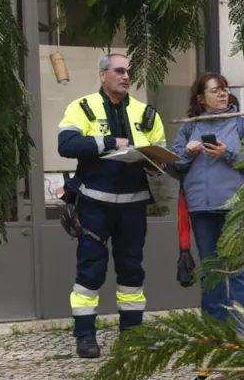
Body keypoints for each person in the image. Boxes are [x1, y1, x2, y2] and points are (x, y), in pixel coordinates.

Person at [58, 53, 166, 359]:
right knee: (90, 271)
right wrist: (110, 142)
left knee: (132, 271)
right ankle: (85, 336)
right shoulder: (82, 107)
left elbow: (161, 153)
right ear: (103, 74)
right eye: (119, 70)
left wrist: (155, 166)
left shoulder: (147, 113)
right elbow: (66, 145)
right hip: (94, 203)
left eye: (129, 71)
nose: (126, 76)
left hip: (133, 205)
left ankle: (132, 336)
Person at [170, 72, 244, 326]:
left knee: (239, 270)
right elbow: (174, 166)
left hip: (235, 208)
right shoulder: (189, 127)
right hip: (201, 209)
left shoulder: (241, 124)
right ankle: (216, 331)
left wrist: (226, 153)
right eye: (215, 90)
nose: (222, 94)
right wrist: (188, 153)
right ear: (201, 98)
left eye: (224, 89)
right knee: (211, 272)